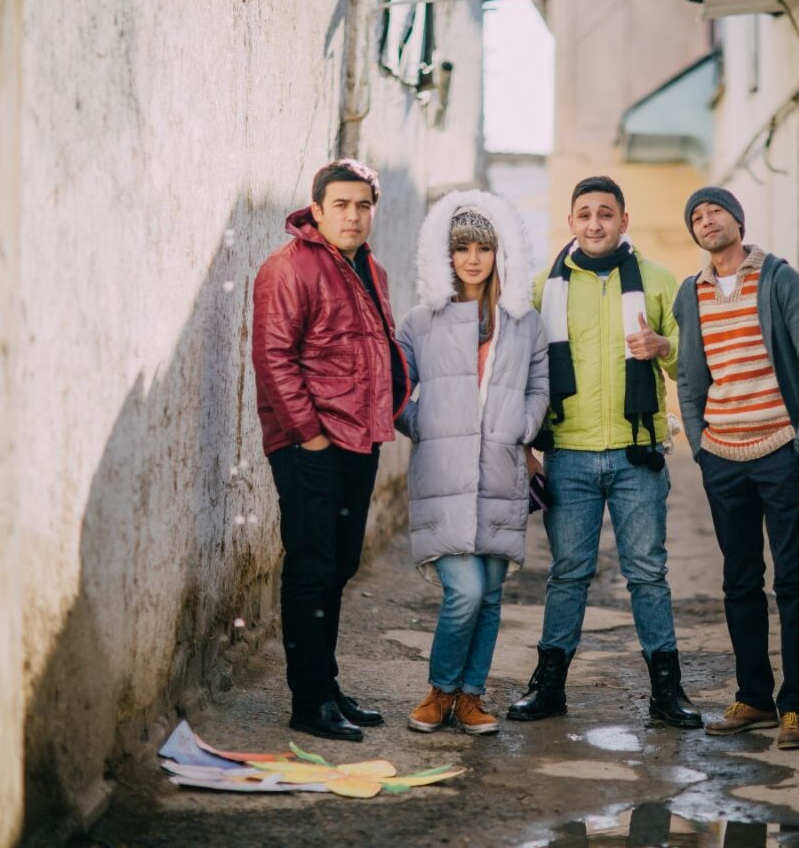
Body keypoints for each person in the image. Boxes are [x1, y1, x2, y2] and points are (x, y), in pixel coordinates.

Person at [506, 176, 701, 728]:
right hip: (568, 452)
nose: (595, 223)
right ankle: (549, 688)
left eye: (606, 213)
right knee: (568, 572)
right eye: (585, 214)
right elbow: (521, 370)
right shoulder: (542, 287)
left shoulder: (657, 280)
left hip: (638, 453)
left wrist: (664, 346)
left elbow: (690, 360)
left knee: (647, 573)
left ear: (624, 220)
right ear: (571, 222)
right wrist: (524, 444)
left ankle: (667, 692)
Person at [252, 158, 409, 741]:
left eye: (363, 205)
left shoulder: (371, 269)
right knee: (312, 569)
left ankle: (327, 686)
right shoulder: (288, 267)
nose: (353, 215)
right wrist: (310, 437)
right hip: (309, 444)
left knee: (339, 565)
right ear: (316, 210)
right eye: (340, 205)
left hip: (359, 439)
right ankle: (309, 700)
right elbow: (273, 358)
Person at [673, 187, 799, 750]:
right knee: (740, 582)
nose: (706, 220)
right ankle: (755, 697)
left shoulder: (779, 279)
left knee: (795, 580)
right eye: (696, 216)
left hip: (782, 451)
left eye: (715, 211)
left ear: (737, 220)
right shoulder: (691, 293)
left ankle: (797, 706)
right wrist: (701, 447)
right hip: (724, 458)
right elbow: (690, 378)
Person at [395, 190, 548, 736]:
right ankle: (440, 690)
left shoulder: (524, 322)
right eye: (462, 248)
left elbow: (540, 385)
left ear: (500, 253)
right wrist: (425, 424)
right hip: (444, 473)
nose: (473, 259)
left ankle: (470, 697)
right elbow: (395, 388)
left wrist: (522, 426)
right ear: (446, 255)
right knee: (466, 591)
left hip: (502, 471)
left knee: (491, 595)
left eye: (484, 247)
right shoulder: (420, 321)